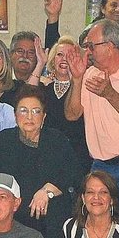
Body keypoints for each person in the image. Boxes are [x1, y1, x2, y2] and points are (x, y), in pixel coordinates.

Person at [0, 88, 78, 238]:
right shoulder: (5, 139)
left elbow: (75, 176)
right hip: (12, 217)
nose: (29, 117)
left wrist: (48, 191)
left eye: (35, 111)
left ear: (44, 117)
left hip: (49, 218)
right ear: (15, 116)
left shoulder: (57, 140)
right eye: (23, 111)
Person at [39, 37, 91, 169]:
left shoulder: (84, 89)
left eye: (69, 56)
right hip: (47, 155)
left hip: (77, 156)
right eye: (59, 55)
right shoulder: (44, 88)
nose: (64, 59)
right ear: (52, 60)